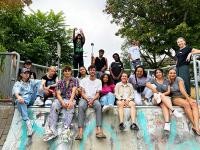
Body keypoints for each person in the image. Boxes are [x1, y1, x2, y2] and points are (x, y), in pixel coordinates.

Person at [43, 65, 79, 141]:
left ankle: (66, 129)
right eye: (65, 71)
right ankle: (52, 130)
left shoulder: (75, 80)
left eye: (68, 71)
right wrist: (62, 102)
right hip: (61, 99)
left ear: (71, 72)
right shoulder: (60, 82)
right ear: (63, 73)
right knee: (54, 105)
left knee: (70, 107)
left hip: (70, 98)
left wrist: (70, 101)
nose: (67, 72)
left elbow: (73, 91)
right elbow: (58, 93)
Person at [75, 65, 106, 140]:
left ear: (95, 71)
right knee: (81, 106)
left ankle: (99, 130)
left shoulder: (99, 81)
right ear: (88, 71)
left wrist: (92, 100)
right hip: (85, 98)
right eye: (91, 70)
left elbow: (98, 94)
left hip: (94, 99)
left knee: (98, 106)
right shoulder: (84, 80)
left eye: (94, 70)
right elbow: (82, 93)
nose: (92, 71)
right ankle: (80, 132)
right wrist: (88, 100)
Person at [168, 67, 200, 135]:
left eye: (174, 73)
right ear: (168, 74)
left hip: (184, 96)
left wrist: (189, 99)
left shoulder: (179, 79)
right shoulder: (167, 81)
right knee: (186, 104)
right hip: (175, 98)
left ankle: (196, 126)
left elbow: (182, 90)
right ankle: (195, 125)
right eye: (171, 73)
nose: (172, 74)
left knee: (194, 104)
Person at [12, 68, 41, 136]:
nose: (27, 74)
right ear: (21, 74)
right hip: (24, 100)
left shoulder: (32, 81)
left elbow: (41, 81)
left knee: (39, 83)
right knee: (19, 101)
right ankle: (28, 122)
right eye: (25, 73)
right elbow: (16, 91)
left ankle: (38, 99)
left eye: (28, 73)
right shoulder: (18, 83)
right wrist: (19, 97)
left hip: (32, 99)